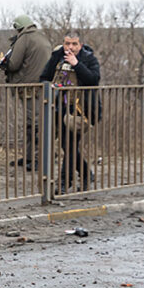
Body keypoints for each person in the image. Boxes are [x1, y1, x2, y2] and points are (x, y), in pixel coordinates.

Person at [40, 31, 101, 193]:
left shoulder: (89, 58)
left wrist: (76, 64)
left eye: (74, 44)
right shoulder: (57, 56)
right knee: (68, 146)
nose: (70, 47)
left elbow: (93, 80)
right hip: (61, 108)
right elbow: (44, 76)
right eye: (67, 43)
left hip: (82, 111)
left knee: (70, 143)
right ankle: (86, 173)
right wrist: (50, 86)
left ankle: (64, 182)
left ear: (80, 45)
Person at [0, 14, 51, 171]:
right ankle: (30, 157)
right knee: (35, 123)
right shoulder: (42, 37)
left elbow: (14, 64)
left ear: (19, 27)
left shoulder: (24, 38)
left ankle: (37, 159)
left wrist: (3, 63)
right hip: (43, 87)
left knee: (35, 125)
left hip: (30, 89)